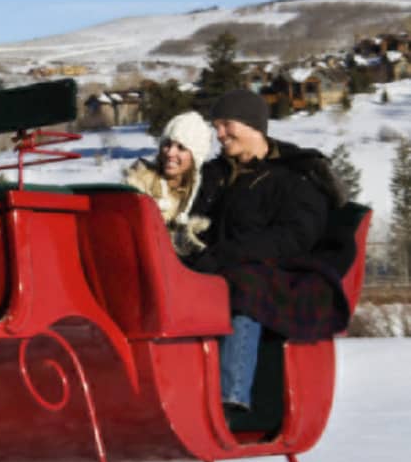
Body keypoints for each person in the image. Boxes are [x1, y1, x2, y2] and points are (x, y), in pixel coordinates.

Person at [186, 88, 353, 431]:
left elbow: (295, 236)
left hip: (281, 271)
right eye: (216, 126)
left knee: (244, 285)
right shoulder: (215, 174)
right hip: (217, 263)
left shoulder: (294, 176)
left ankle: (231, 397)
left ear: (252, 126)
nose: (219, 134)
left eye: (226, 125)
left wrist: (224, 254)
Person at [124, 109, 214, 257]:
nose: (170, 153)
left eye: (181, 147)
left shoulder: (204, 194)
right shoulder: (138, 186)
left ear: (196, 156)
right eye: (167, 144)